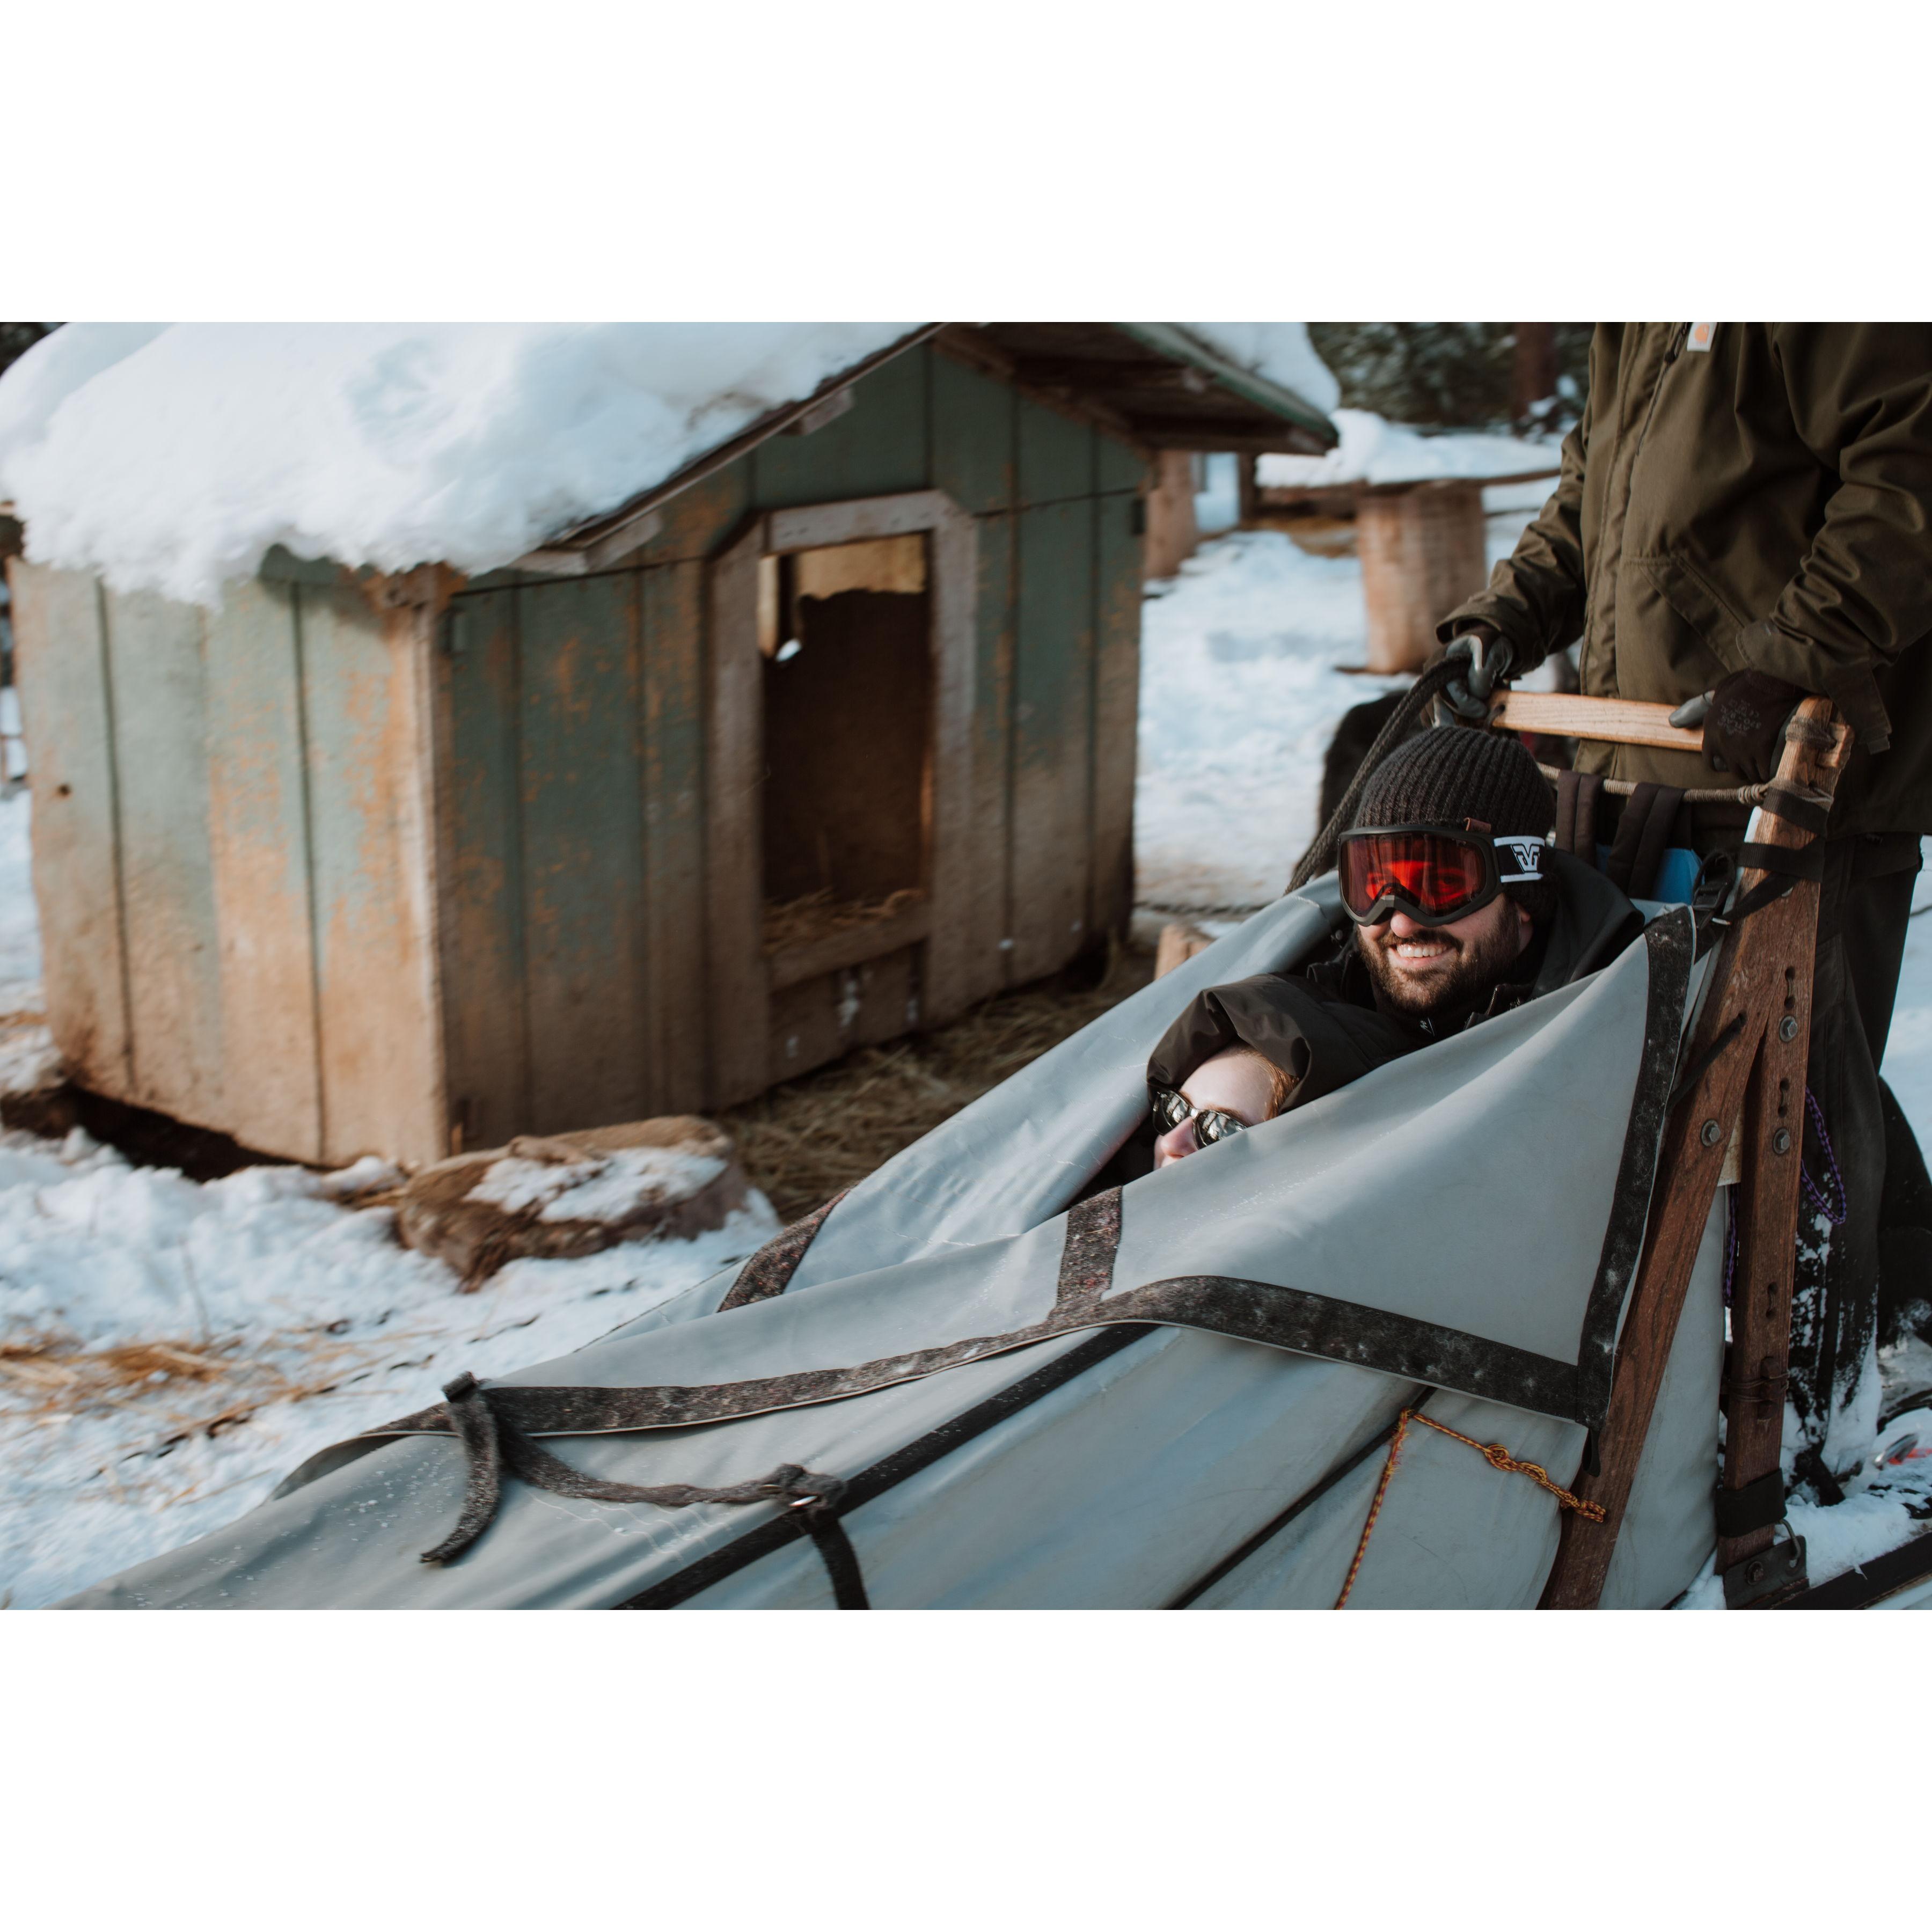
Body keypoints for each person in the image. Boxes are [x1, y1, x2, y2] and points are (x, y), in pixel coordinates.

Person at [1434, 323, 1932, 1470]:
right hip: (1649, 758)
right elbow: (1592, 497)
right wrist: (1505, 619)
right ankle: (1885, 1309)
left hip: (1801, 770)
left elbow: (1908, 469)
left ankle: (1816, 1411)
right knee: (1707, 1069)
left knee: (1800, 1090)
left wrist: (1793, 657)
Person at [1143, 724, 1642, 1169]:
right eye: (1373, 884)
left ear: (1522, 894)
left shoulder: (1604, 1034)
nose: (1401, 922)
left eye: (1443, 884)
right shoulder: (1322, 973)